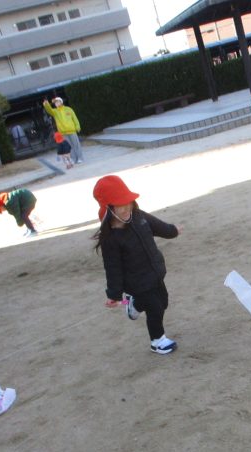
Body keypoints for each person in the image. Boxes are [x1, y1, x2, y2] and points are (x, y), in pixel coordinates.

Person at [92, 175, 182, 355]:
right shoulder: (111, 238)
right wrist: (114, 294)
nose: (126, 208)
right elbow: (113, 268)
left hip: (155, 272)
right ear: (109, 208)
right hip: (136, 282)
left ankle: (134, 304)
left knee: (163, 302)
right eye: (120, 204)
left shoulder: (139, 216)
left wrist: (173, 230)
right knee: (155, 308)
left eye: (128, 202)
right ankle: (157, 341)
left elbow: (159, 226)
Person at [42, 97, 84, 164]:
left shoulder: (69, 109)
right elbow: (49, 110)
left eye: (57, 102)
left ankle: (80, 158)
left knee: (76, 145)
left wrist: (77, 126)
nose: (56, 103)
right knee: (69, 147)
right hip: (63, 133)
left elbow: (74, 118)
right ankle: (74, 159)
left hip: (72, 130)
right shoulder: (55, 112)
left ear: (61, 102)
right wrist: (46, 104)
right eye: (55, 103)